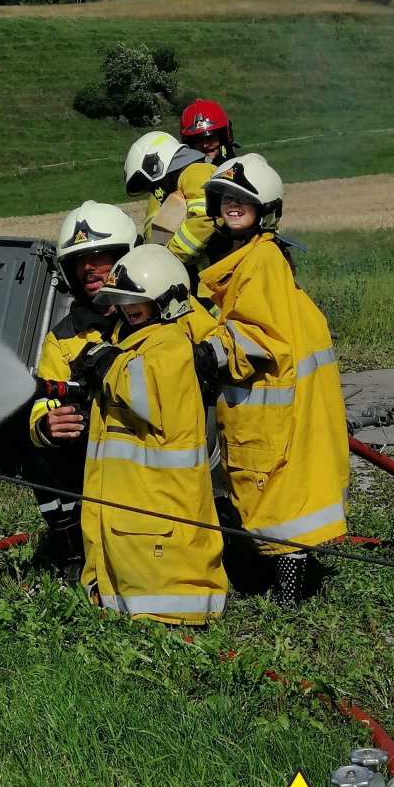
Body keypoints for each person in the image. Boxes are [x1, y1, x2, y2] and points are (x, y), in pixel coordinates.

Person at [196, 153, 349, 605]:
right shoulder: (253, 255)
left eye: (242, 201)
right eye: (225, 199)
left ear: (264, 210)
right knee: (286, 491)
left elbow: (260, 334)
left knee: (277, 498)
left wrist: (208, 353)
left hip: (271, 406)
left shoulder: (261, 259)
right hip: (281, 401)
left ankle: (287, 598)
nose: (232, 206)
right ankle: (283, 584)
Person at [70, 244, 227, 624]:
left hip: (162, 531)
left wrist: (106, 365)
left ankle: (167, 618)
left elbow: (150, 394)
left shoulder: (171, 344)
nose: (126, 307)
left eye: (134, 299)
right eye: (121, 300)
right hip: (135, 509)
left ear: (164, 300)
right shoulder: (134, 341)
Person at [29, 201, 140, 580]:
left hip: (151, 453)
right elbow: (43, 401)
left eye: (99, 256)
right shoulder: (62, 339)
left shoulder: (152, 315)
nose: (89, 268)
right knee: (40, 456)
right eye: (79, 261)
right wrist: (46, 424)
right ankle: (73, 552)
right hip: (95, 455)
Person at [123, 130, 233, 300]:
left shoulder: (195, 171)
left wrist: (172, 256)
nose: (152, 187)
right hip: (208, 280)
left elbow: (207, 215)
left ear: (156, 163)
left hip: (223, 277)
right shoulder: (177, 182)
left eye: (147, 180)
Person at [179, 98, 238, 165]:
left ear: (222, 138)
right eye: (198, 140)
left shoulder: (239, 167)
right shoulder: (184, 170)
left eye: (210, 138)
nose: (205, 145)